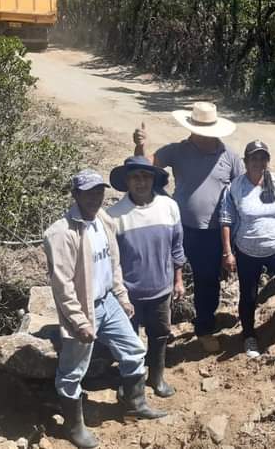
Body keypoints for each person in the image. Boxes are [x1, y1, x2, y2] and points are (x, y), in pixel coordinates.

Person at [42, 170, 164, 449]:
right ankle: (74, 427)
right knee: (72, 371)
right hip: (83, 308)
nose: (95, 197)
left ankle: (134, 403)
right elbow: (62, 286)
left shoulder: (104, 220)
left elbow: (113, 264)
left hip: (107, 301)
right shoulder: (60, 233)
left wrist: (121, 295)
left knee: (134, 349)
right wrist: (79, 321)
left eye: (98, 191)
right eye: (87, 192)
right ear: (75, 195)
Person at [136, 101, 244, 353]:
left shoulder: (228, 156)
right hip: (179, 227)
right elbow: (144, 168)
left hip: (213, 232)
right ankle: (155, 331)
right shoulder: (178, 150)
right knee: (163, 276)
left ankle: (204, 328)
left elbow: (242, 189)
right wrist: (140, 146)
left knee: (208, 281)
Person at [107, 156, 186, 398]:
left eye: (145, 176)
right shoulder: (113, 215)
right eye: (135, 177)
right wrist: (118, 292)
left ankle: (157, 377)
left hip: (161, 289)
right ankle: (131, 382)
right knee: (128, 340)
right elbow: (111, 261)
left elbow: (177, 247)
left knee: (160, 334)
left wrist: (178, 279)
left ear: (153, 179)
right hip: (127, 294)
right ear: (126, 181)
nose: (140, 182)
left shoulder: (168, 207)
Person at [222, 140, 275, 358]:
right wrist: (228, 252)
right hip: (247, 252)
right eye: (254, 158)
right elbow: (226, 220)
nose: (258, 162)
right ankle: (249, 336)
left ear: (267, 161)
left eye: (263, 158)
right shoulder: (235, 187)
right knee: (248, 296)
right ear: (246, 161)